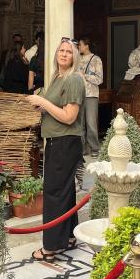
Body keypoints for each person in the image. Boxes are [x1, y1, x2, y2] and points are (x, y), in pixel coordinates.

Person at [26, 37, 85, 262]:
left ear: (74, 57)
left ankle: (50, 247)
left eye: (68, 52)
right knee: (65, 190)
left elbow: (69, 117)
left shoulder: (74, 80)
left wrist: (43, 103)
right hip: (56, 140)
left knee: (54, 193)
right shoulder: (57, 77)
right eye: (61, 50)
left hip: (64, 142)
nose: (63, 54)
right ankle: (68, 236)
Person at [78, 36, 104, 158]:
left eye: (80, 45)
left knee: (91, 122)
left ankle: (95, 148)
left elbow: (99, 79)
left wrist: (85, 76)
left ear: (86, 46)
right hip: (78, 95)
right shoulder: (77, 60)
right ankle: (82, 148)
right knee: (79, 123)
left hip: (91, 95)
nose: (79, 47)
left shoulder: (96, 60)